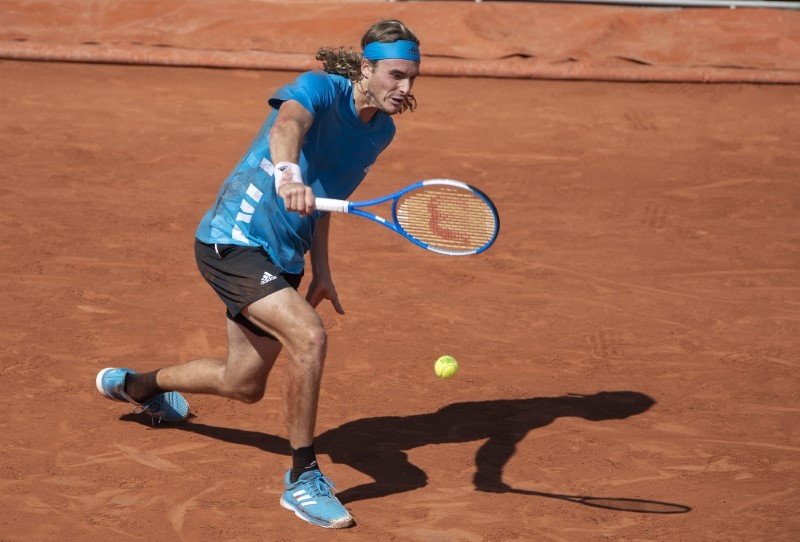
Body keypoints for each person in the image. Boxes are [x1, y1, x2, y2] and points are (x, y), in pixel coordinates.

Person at [95, 19, 422, 529]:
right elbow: (286, 127)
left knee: (242, 383)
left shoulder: (380, 132)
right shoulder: (318, 89)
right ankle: (303, 479)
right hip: (233, 240)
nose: (404, 89)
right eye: (396, 76)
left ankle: (138, 387)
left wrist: (322, 270)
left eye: (412, 80)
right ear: (367, 67)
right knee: (309, 337)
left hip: (285, 257)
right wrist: (288, 174)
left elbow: (325, 199)